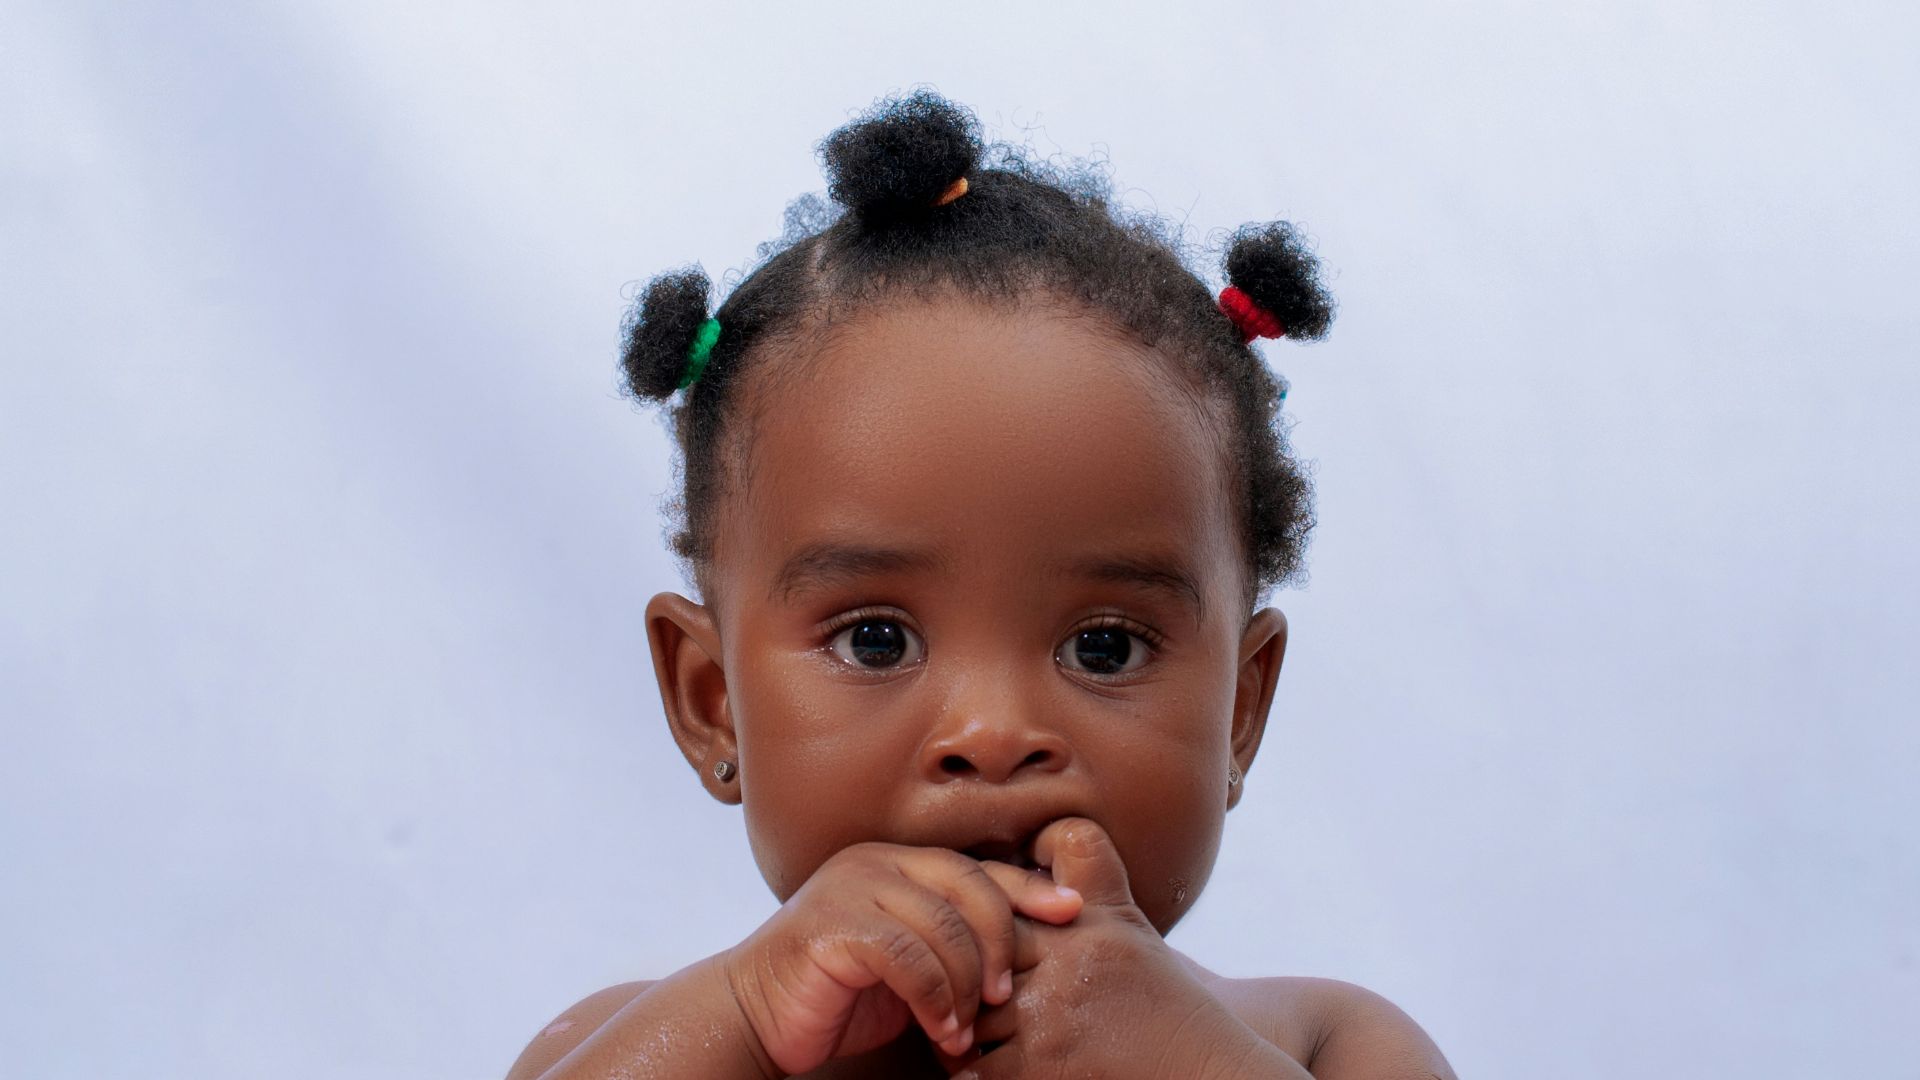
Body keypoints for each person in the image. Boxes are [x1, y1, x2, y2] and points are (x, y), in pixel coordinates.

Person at [507, 89, 1455, 1079]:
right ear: (713, 702)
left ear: (1240, 711)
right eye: (876, 641)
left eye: (1106, 646)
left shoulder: (1326, 1047)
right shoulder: (647, 1047)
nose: (995, 735)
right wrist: (741, 1018)